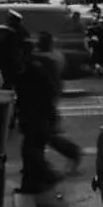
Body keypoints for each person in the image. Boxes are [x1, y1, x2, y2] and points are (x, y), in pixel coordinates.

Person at [15, 32, 83, 194]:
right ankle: (35, 181)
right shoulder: (35, 65)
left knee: (34, 146)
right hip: (37, 112)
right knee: (35, 145)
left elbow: (46, 89)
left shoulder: (34, 68)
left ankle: (46, 176)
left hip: (38, 113)